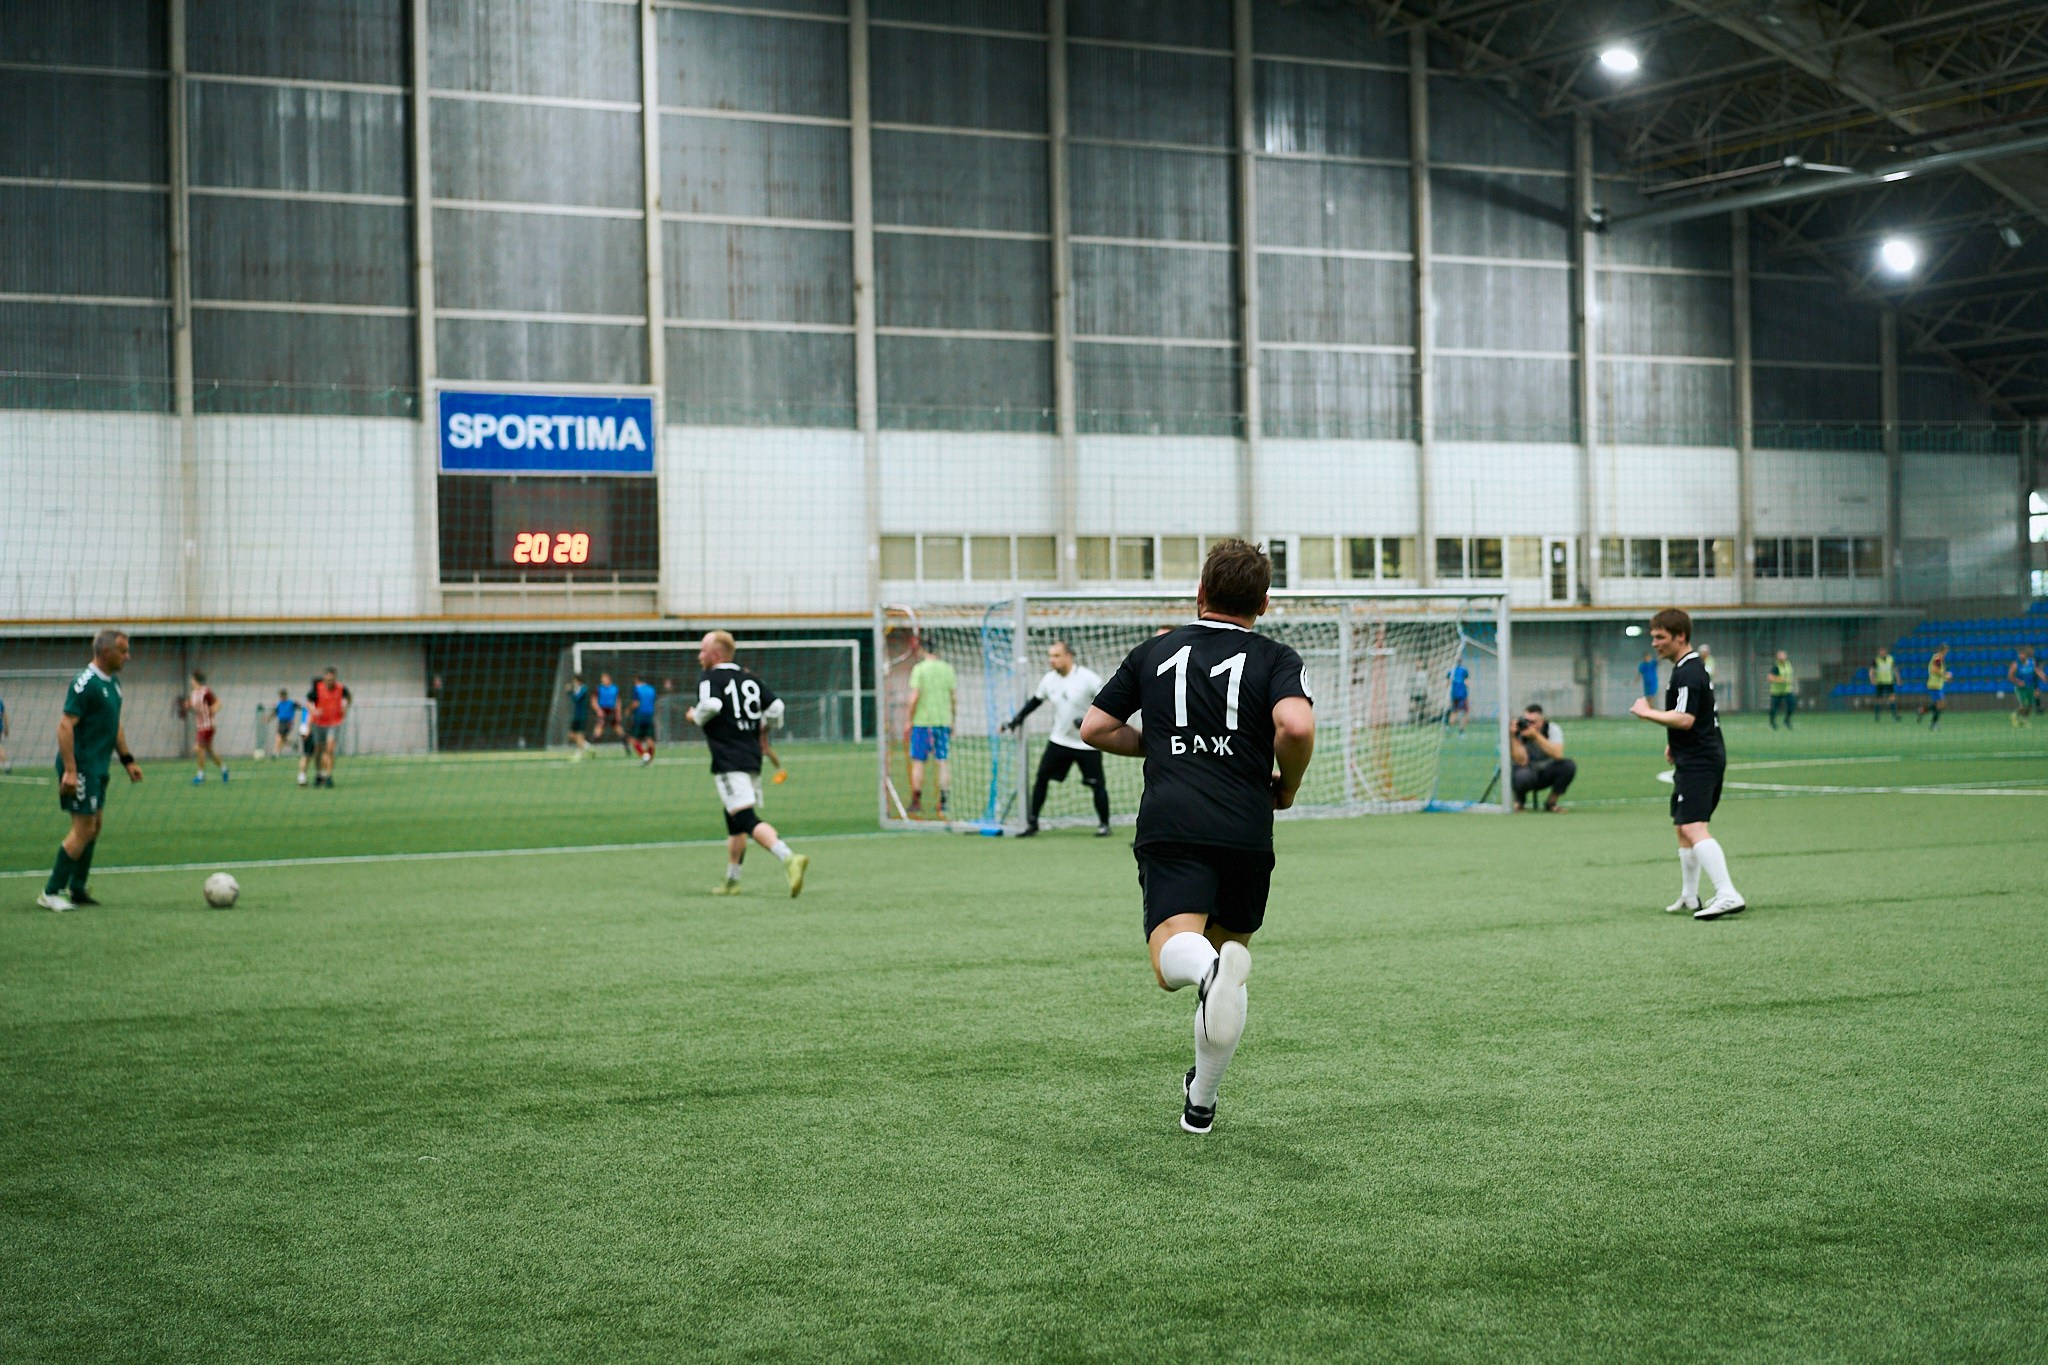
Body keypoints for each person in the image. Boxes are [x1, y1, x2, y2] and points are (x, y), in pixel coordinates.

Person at [1080, 539, 1315, 1135]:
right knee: (1226, 970)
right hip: (1245, 826)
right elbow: (1295, 724)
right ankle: (1200, 1102)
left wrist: (1157, 743)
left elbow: (1096, 728)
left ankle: (1209, 972)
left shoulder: (1155, 651)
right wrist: (1286, 786)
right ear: (1263, 603)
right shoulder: (1276, 657)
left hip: (1174, 822)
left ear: (1200, 593)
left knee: (1176, 964)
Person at [1631, 608, 1744, 921]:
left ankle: (1727, 893)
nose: (1654, 643)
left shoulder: (1688, 672)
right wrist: (1674, 743)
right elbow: (1698, 715)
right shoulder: (1687, 668)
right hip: (1694, 755)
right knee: (1683, 825)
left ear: (1680, 636)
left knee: (1694, 826)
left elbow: (1685, 718)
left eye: (1660, 637)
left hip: (1700, 761)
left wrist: (1646, 712)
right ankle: (1690, 894)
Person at [687, 631, 808, 897]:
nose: (699, 655)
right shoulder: (750, 678)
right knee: (734, 818)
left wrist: (695, 715)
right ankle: (733, 880)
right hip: (752, 756)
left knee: (744, 817)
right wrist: (766, 728)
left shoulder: (710, 677)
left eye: (703, 650)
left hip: (729, 758)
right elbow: (776, 708)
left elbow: (712, 704)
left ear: (716, 654)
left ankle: (788, 858)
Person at [39, 630, 143, 911]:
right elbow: (65, 725)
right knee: (83, 828)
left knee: (94, 827)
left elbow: (114, 723)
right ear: (105, 652)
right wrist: (71, 771)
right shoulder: (85, 683)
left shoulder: (114, 684)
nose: (128, 656)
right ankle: (51, 892)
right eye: (123, 651)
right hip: (81, 765)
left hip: (98, 766)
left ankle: (77, 888)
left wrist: (127, 759)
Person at [1002, 640, 1110, 837]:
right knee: (1042, 778)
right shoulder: (1048, 679)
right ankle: (1032, 822)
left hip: (1087, 743)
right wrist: (1015, 720)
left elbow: (1108, 703)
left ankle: (1104, 824)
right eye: (1050, 656)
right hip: (1060, 740)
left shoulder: (1088, 678)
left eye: (1056, 656)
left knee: (1096, 784)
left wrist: (1087, 720)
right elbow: (1035, 701)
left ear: (1069, 656)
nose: (1052, 660)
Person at [905, 640, 957, 817]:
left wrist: (909, 720)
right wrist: (953, 720)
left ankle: (916, 801)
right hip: (943, 722)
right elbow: (953, 697)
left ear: (922, 650)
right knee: (942, 762)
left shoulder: (919, 669)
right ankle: (944, 802)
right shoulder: (947, 669)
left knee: (919, 762)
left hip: (922, 722)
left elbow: (914, 697)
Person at [1510, 704, 1576, 812]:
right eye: (1526, 721)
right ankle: (1519, 802)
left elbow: (1558, 755)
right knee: (1522, 775)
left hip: (1545, 771)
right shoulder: (1517, 731)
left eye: (1533, 722)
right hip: (1525, 771)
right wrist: (1514, 737)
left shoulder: (1552, 729)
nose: (1528, 724)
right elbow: (1521, 761)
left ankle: (1551, 803)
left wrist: (1536, 736)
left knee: (1568, 766)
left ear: (1541, 721)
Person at [307, 667, 350, 788]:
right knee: (318, 751)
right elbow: (309, 702)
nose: (330, 682)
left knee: (330, 749)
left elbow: (346, 699)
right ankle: (319, 774)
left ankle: (329, 776)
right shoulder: (317, 688)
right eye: (328, 679)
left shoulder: (341, 689)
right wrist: (314, 710)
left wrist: (344, 708)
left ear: (335, 679)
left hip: (334, 723)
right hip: (319, 723)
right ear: (324, 678)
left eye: (332, 679)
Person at [184, 671, 228, 784]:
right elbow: (193, 706)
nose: (190, 681)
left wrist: (214, 709)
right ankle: (224, 768)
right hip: (200, 726)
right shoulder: (193, 694)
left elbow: (218, 703)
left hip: (208, 725)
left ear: (195, 680)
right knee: (210, 751)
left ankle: (200, 775)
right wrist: (187, 706)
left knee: (198, 748)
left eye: (191, 679)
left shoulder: (205, 691)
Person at [629, 674, 658, 764]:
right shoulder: (652, 689)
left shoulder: (637, 689)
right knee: (649, 739)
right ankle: (650, 759)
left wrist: (628, 710)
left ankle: (645, 756)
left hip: (639, 716)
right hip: (649, 716)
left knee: (633, 739)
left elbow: (636, 703)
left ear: (636, 680)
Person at [1919, 646, 1950, 728]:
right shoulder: (1938, 658)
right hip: (1934, 685)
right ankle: (1934, 723)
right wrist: (1945, 675)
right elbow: (1935, 670)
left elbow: (1938, 670)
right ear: (1944, 651)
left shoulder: (1938, 658)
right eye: (1946, 651)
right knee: (1940, 704)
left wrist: (1945, 677)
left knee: (1940, 704)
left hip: (1937, 685)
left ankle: (1922, 710)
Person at [1766, 651, 1797, 730]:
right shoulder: (1776, 667)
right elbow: (1769, 678)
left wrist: (1789, 680)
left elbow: (1789, 675)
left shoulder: (1788, 664)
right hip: (1776, 691)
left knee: (1792, 704)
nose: (1781, 658)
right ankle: (1772, 722)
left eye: (1783, 656)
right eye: (1780, 657)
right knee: (1774, 708)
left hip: (1787, 690)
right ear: (1777, 658)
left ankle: (1787, 720)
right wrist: (1780, 680)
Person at [566, 674, 593, 760]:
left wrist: (569, 692)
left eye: (574, 681)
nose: (573, 683)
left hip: (582, 716)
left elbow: (576, 699)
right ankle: (588, 747)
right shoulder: (577, 689)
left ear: (578, 681)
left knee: (579, 736)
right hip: (576, 716)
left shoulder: (584, 689)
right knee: (570, 735)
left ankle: (578, 755)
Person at [2010, 646, 2038, 728]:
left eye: (2022, 654)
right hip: (2020, 688)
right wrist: (2018, 682)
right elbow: (2010, 677)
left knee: (2030, 705)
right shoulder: (2015, 664)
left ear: (2026, 655)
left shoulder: (2032, 662)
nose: (2020, 656)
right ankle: (2014, 715)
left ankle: (2024, 720)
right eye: (2019, 654)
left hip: (2030, 687)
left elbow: (2035, 673)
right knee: (2023, 705)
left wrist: (2036, 687)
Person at [269, 689, 301, 759]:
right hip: (281, 722)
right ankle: (293, 744)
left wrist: (300, 705)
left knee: (279, 737)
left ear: (285, 695)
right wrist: (268, 718)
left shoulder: (291, 703)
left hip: (288, 723)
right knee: (282, 739)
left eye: (282, 696)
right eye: (280, 696)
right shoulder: (279, 704)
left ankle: (276, 753)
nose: (281, 697)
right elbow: (275, 712)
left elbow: (300, 707)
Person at [1870, 646, 1900, 722]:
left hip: (1889, 682)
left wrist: (1898, 679)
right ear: (1879, 652)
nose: (1882, 653)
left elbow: (1895, 669)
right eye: (1881, 651)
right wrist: (1872, 679)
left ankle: (1894, 715)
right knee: (1878, 700)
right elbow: (1871, 670)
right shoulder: (1876, 660)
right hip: (1880, 682)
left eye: (1883, 651)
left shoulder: (1891, 659)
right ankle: (1877, 716)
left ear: (1886, 651)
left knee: (1892, 699)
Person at [593, 673, 621, 747]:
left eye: (604, 678)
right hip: (602, 710)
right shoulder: (599, 688)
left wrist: (618, 713)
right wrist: (598, 710)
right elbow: (593, 700)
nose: (602, 680)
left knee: (618, 729)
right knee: (599, 727)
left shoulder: (615, 688)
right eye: (602, 679)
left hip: (612, 711)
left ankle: (627, 747)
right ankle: (593, 748)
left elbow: (618, 701)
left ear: (609, 679)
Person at [1447, 658, 1471, 734]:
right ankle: (1461, 730)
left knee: (1454, 712)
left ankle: (1449, 728)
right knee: (1465, 712)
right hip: (1462, 695)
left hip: (1454, 695)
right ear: (1461, 662)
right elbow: (1467, 683)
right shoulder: (1464, 671)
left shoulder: (1451, 671)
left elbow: (1447, 683)